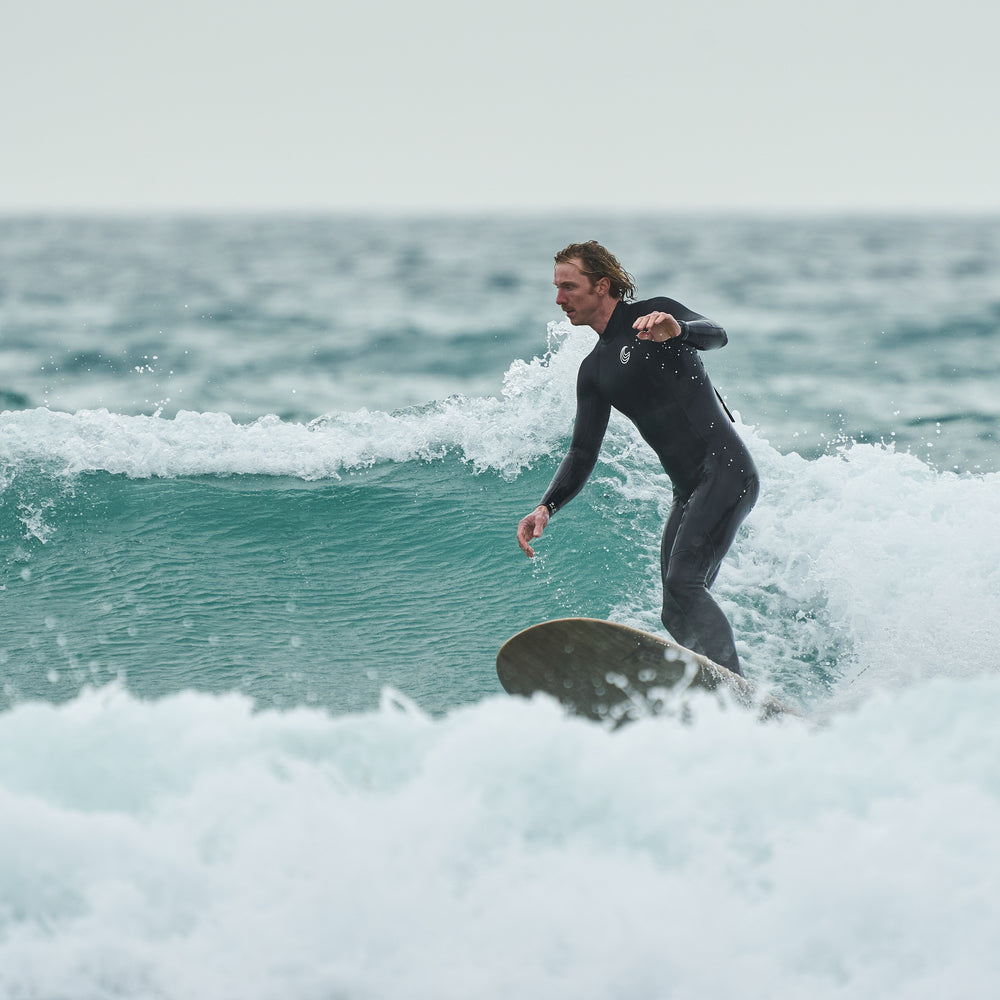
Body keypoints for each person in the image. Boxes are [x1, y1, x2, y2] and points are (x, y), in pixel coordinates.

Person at [516, 241, 759, 677]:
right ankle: (711, 688)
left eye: (569, 287)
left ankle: (737, 690)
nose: (559, 299)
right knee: (675, 608)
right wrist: (546, 505)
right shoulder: (594, 370)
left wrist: (678, 330)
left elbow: (717, 335)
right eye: (556, 288)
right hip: (687, 490)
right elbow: (582, 450)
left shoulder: (655, 315)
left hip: (725, 471)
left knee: (685, 583)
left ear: (602, 285)